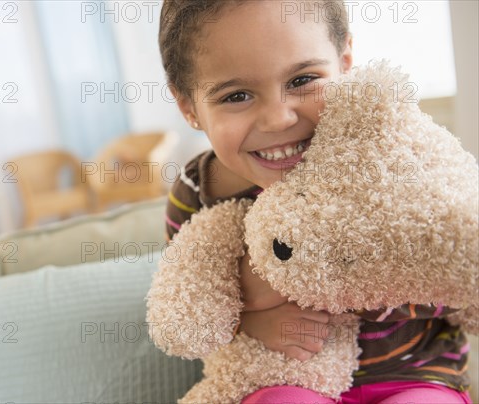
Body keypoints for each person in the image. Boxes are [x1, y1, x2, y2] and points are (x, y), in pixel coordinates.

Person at [159, 0, 472, 403]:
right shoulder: (199, 189)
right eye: (236, 95)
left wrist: (338, 279)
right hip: (282, 379)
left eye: (302, 79)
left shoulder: (394, 158)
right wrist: (248, 316)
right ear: (189, 107)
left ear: (345, 63)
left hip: (417, 375)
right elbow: (188, 310)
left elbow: (458, 268)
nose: (278, 119)